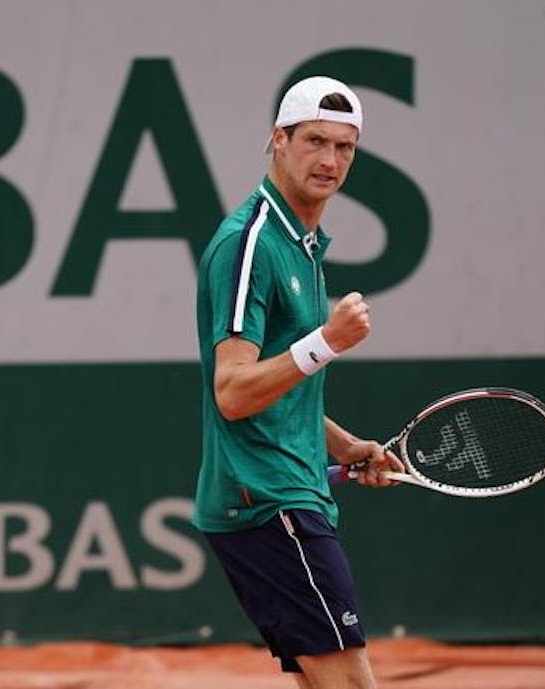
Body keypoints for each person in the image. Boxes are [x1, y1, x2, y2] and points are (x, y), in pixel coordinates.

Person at [192, 75, 405, 689]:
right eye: (314, 141)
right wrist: (327, 342)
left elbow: (279, 390)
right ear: (277, 141)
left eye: (344, 147)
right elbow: (231, 392)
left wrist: (343, 446)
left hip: (288, 492)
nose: (330, 160)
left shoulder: (302, 243)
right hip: (267, 499)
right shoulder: (250, 244)